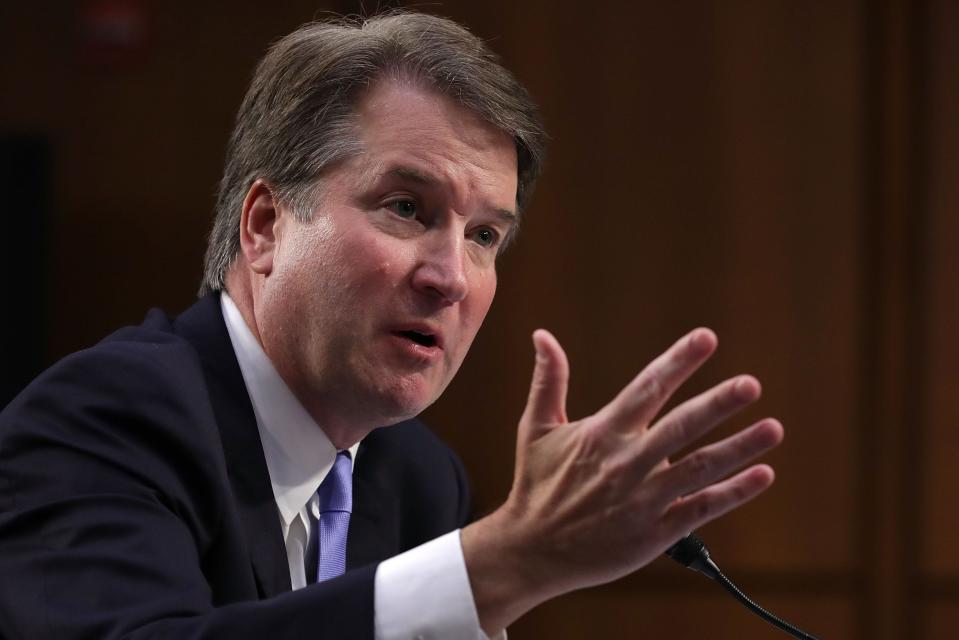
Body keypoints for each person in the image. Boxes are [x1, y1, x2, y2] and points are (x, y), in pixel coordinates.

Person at [0, 11, 784, 639]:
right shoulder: (100, 422)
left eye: (484, 236)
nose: (448, 278)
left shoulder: (414, 477)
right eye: (407, 208)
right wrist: (503, 564)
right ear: (267, 225)